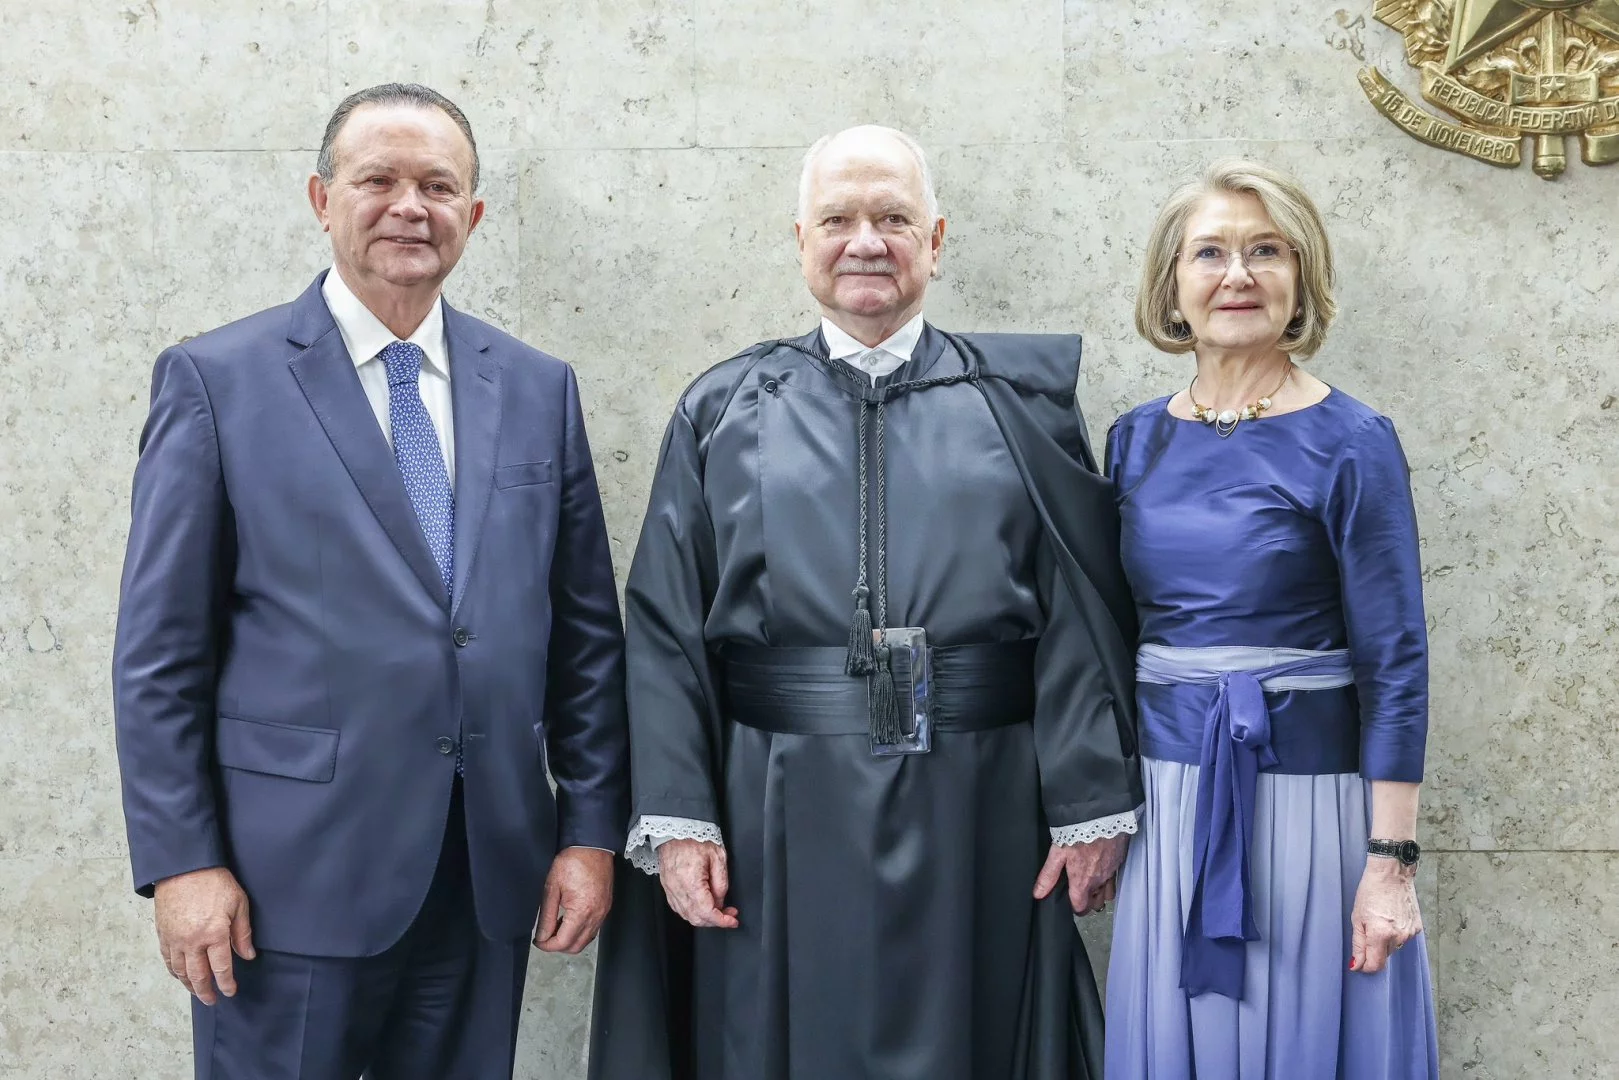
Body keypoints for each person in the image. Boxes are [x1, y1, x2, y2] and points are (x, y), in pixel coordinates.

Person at [586, 124, 1142, 1080]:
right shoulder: (722, 406)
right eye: (838, 219)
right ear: (800, 238)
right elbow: (665, 627)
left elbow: (1076, 619)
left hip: (982, 800)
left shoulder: (1020, 405)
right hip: (774, 805)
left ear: (934, 238)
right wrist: (680, 820)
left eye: (892, 217)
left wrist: (1089, 804)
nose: (866, 241)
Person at [111, 83, 629, 1079]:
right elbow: (160, 656)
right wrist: (182, 861)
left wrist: (590, 831)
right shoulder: (219, 382)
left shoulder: (534, 387)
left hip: (484, 872)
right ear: (320, 198)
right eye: (378, 179)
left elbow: (583, 640)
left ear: (472, 215)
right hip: (283, 882)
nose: (410, 206)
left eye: (439, 185)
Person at [1103, 160, 1439, 1078]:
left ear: (1301, 278)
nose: (1236, 274)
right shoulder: (1134, 437)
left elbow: (1395, 663)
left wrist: (1389, 865)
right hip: (1170, 802)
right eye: (1208, 252)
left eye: (1264, 251)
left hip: (1308, 810)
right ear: (1171, 284)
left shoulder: (1351, 440)